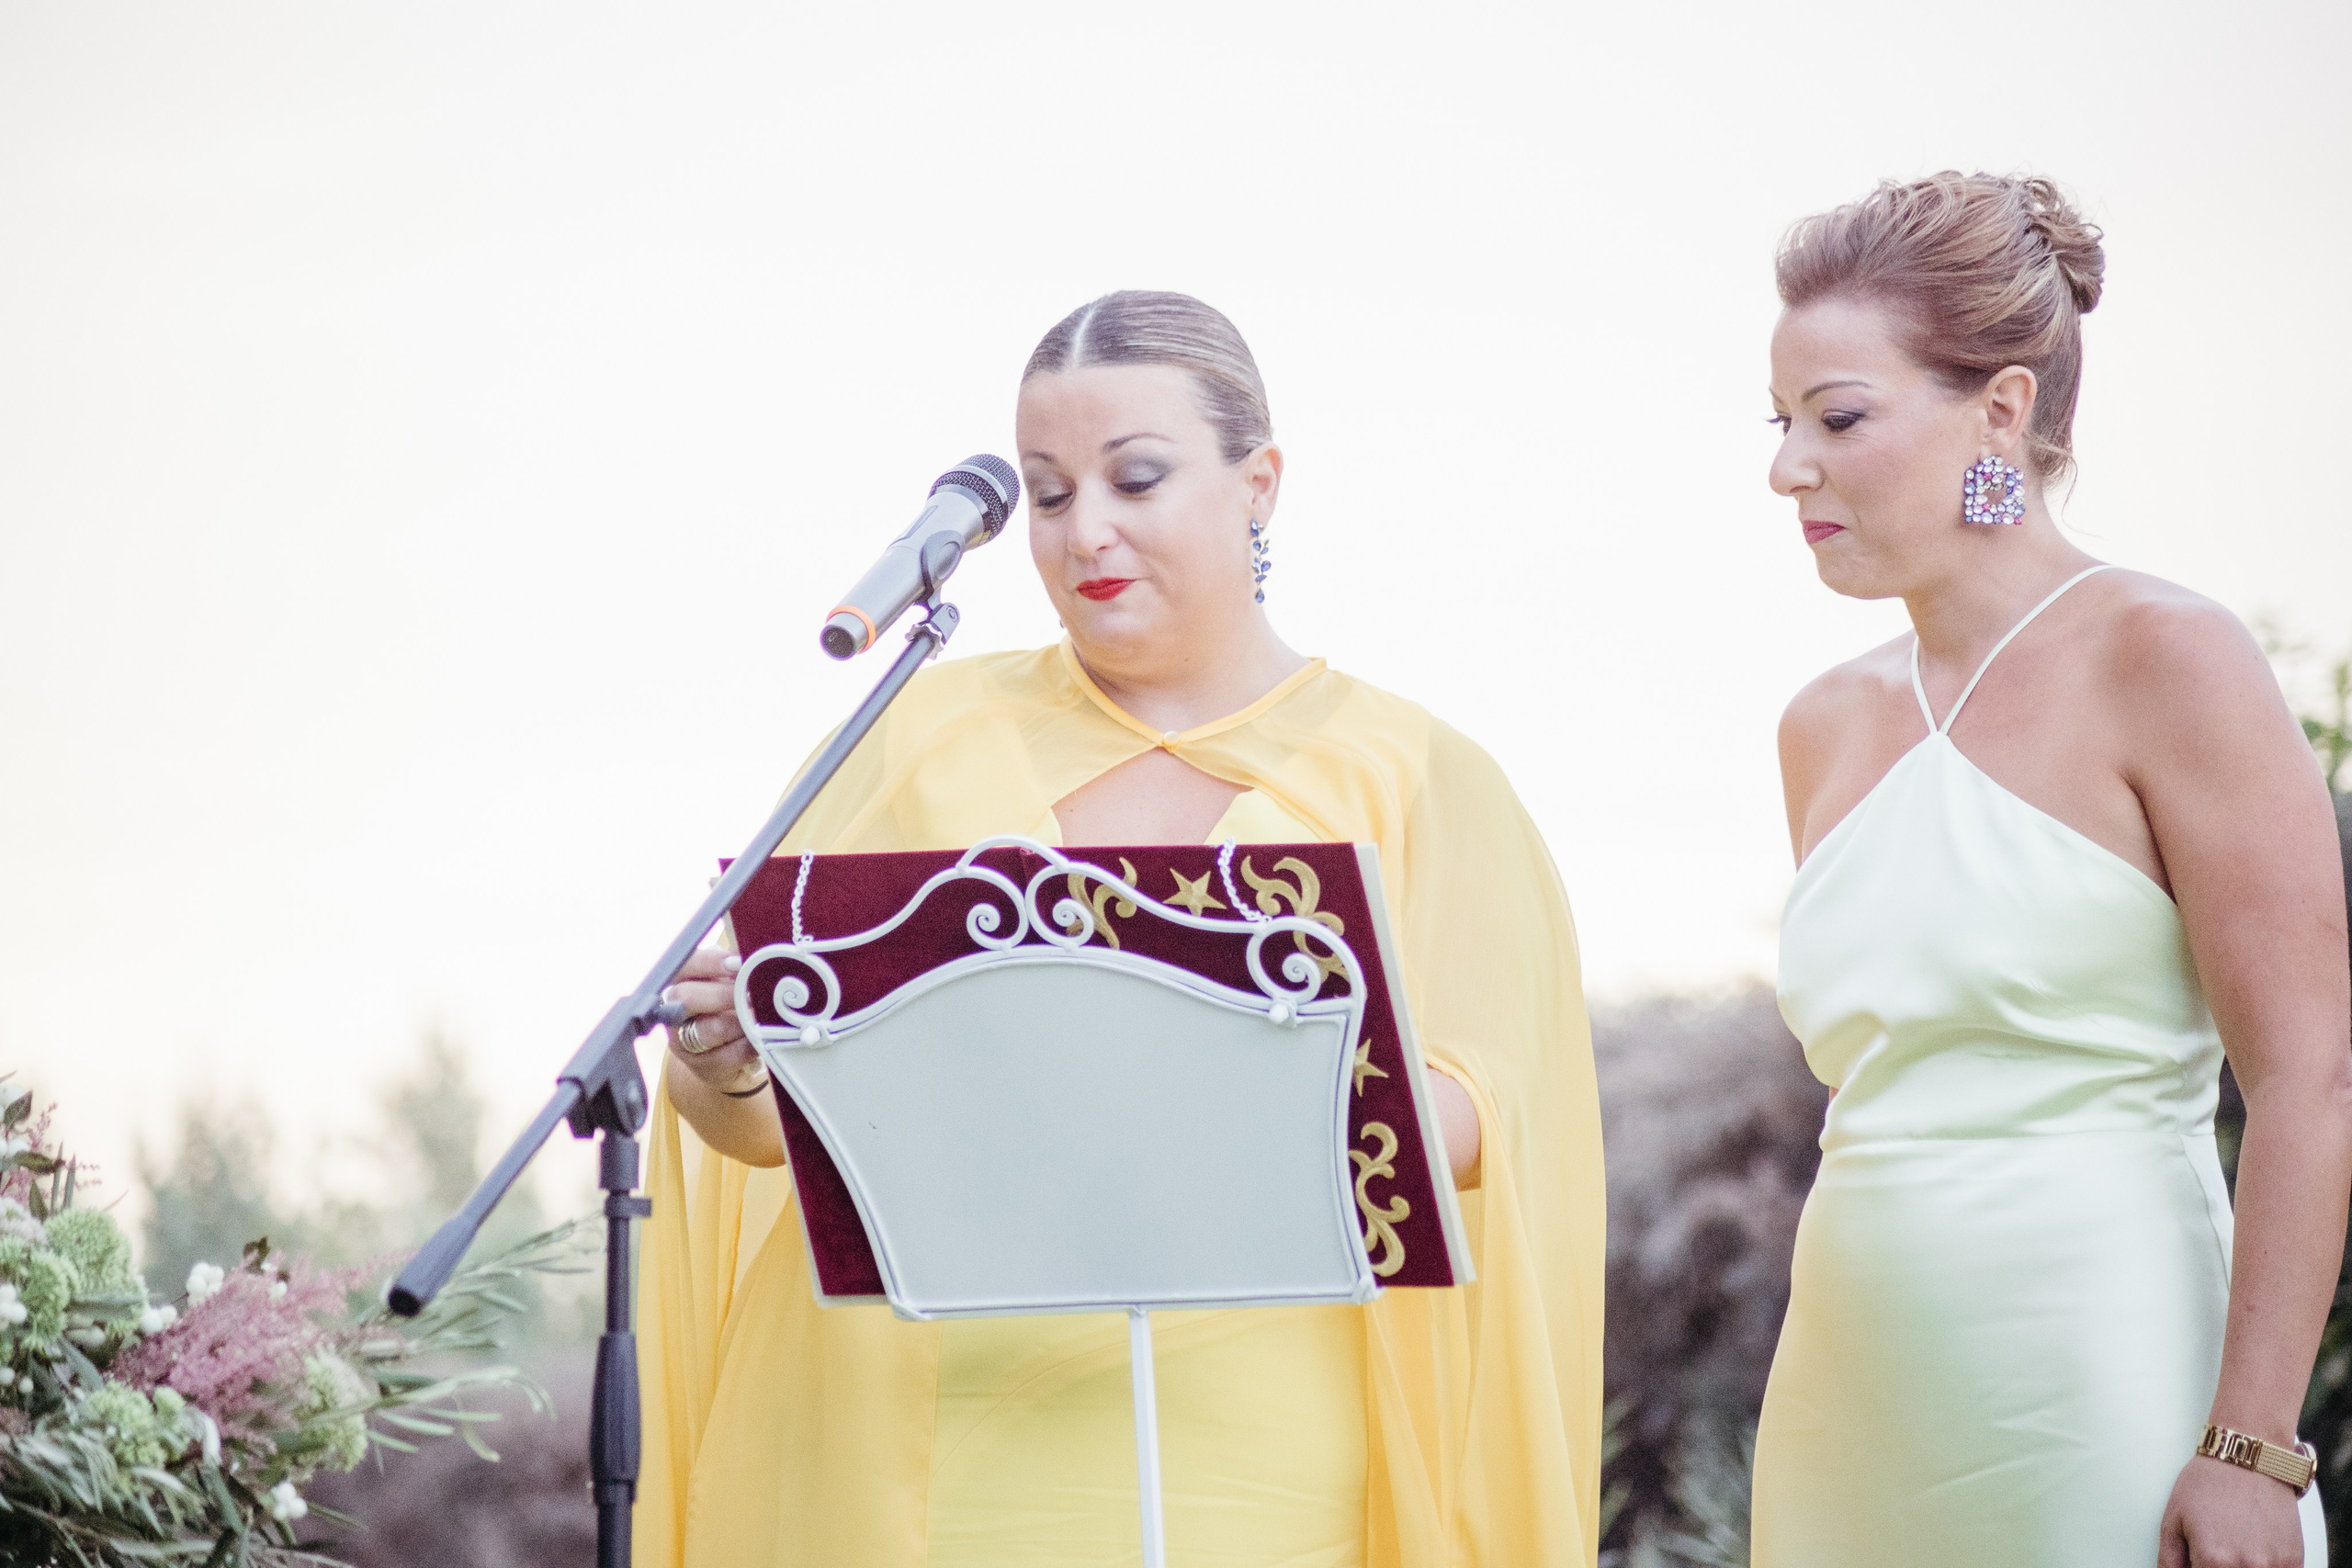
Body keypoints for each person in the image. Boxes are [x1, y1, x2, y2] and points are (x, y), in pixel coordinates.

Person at [635, 290, 1607, 1567]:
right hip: (915, 1436)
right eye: (1045, 493)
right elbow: (771, 1133)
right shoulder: (908, 738)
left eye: (1136, 478)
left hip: (1252, 1443)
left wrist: (1171, 1080)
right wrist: (728, 1059)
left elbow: (1489, 1119)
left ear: (1258, 483)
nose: (1084, 530)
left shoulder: (1419, 774)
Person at [1748, 174, 2352, 1568]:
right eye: (1779, 425)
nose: (1788, 468)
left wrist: (2252, 1447)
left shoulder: (2169, 658)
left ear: (2001, 411)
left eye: (1836, 419)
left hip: (2109, 1388)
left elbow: (2309, 1080)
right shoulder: (1819, 726)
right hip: (1850, 1407)